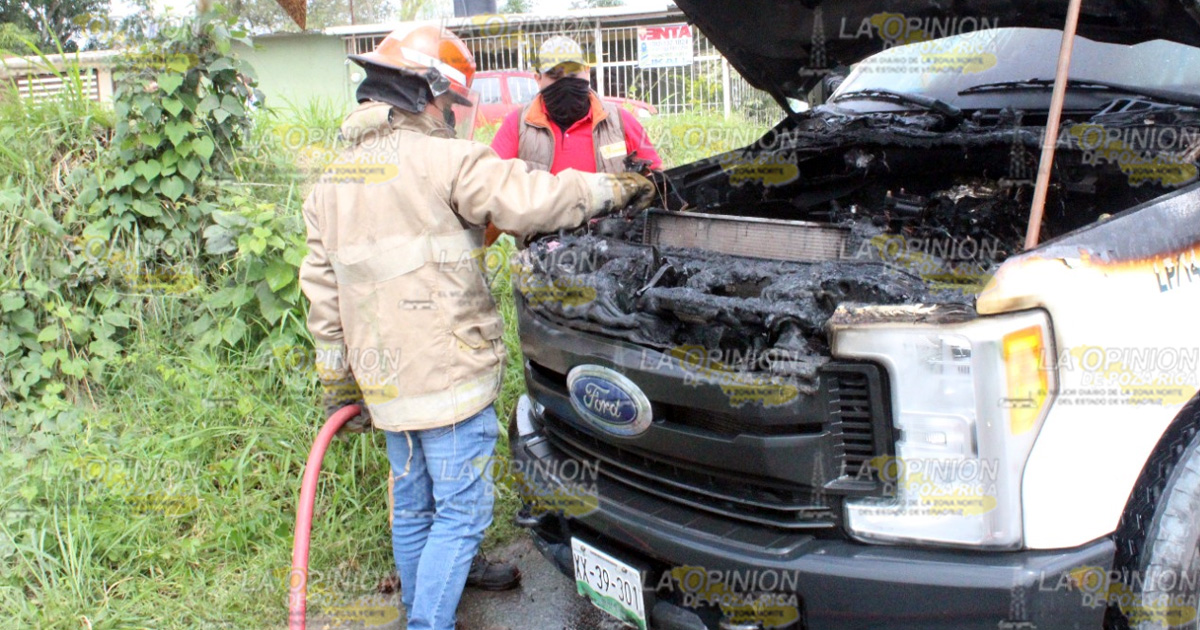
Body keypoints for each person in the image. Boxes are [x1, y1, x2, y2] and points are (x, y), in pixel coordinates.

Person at [298, 25, 656, 630]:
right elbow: (531, 200)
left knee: (413, 509)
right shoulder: (447, 160)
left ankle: (421, 611)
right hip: (448, 375)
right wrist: (611, 186)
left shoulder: (332, 181)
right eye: (449, 103)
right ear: (427, 93)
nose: (451, 116)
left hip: (383, 383)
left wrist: (339, 381)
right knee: (462, 513)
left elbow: (323, 296)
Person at [486, 36, 663, 245]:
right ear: (538, 79)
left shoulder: (621, 122)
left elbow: (658, 183)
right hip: (543, 253)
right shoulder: (517, 126)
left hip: (614, 250)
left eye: (572, 73)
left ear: (587, 72)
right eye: (555, 75)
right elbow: (490, 188)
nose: (565, 83)